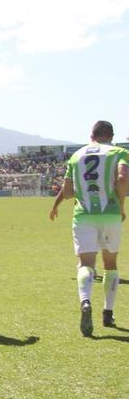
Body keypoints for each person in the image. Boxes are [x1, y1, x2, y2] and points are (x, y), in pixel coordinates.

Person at [49, 120, 129, 335]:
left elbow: (67, 192)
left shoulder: (76, 156)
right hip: (110, 213)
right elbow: (122, 179)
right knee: (110, 263)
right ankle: (108, 312)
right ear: (111, 135)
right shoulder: (119, 151)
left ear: (91, 135)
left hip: (83, 215)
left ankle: (85, 301)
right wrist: (121, 204)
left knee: (85, 263)